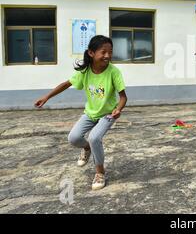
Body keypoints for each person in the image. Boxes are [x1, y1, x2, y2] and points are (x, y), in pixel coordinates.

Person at [34, 35, 127, 190]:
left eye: (110, 52)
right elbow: (66, 84)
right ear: (91, 53)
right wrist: (47, 97)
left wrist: (118, 109)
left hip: (108, 114)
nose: (108, 56)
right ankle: (87, 148)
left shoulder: (113, 72)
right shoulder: (85, 71)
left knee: (94, 137)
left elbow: (123, 97)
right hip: (91, 113)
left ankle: (100, 172)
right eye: (103, 52)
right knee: (73, 138)